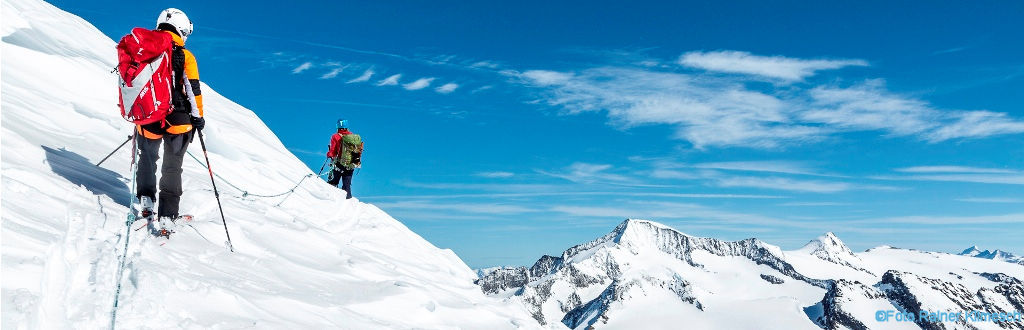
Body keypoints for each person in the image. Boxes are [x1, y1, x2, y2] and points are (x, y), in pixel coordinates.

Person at [136, 8, 205, 237]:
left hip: (149, 114)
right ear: (181, 29)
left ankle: (146, 199)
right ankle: (167, 216)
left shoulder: (145, 48)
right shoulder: (185, 56)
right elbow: (192, 90)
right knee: (172, 166)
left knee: (147, 157)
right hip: (178, 118)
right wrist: (198, 117)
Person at [326, 119, 363, 199]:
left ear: (338, 126)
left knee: (333, 182)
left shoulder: (335, 136)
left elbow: (333, 151)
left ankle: (330, 200)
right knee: (347, 185)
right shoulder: (352, 136)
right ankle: (348, 200)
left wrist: (329, 154)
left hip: (339, 164)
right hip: (351, 164)